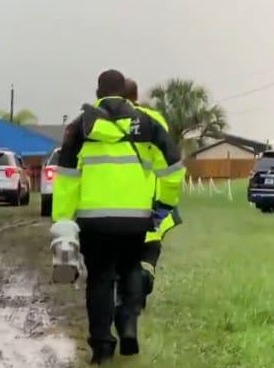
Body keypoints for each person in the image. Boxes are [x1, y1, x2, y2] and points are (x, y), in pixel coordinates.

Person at [52, 70, 185, 365]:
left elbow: (67, 180)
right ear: (124, 93)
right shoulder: (147, 123)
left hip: (93, 219)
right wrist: (164, 202)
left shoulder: (80, 126)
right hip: (136, 217)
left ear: (98, 93)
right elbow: (174, 167)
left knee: (99, 278)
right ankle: (127, 323)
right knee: (130, 268)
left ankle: (101, 347)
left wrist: (63, 221)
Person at [122, 78, 183, 309]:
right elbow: (168, 159)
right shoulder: (153, 120)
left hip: (117, 203)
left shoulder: (103, 121)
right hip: (151, 201)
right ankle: (144, 277)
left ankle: (127, 287)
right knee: (149, 247)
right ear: (136, 96)